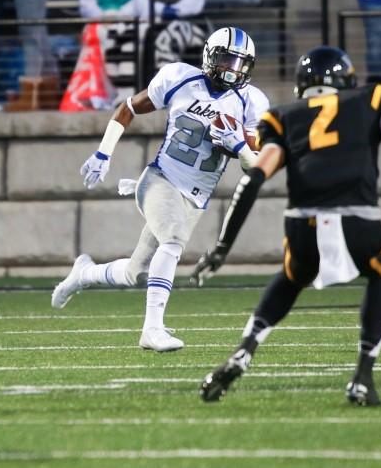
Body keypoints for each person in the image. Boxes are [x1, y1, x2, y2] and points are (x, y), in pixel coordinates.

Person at [196, 46, 381, 406]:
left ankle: (245, 348)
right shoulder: (370, 99)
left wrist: (221, 247)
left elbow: (253, 179)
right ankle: (363, 376)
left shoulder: (283, 116)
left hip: (302, 225)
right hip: (358, 220)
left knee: (292, 276)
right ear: (346, 80)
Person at [50, 27, 268, 353]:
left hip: (194, 197)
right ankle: (152, 329)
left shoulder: (251, 102)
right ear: (210, 56)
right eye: (226, 59)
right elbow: (128, 109)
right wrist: (103, 153)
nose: (233, 69)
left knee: (134, 271)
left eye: (240, 62)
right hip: (161, 180)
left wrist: (238, 144)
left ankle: (83, 274)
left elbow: (255, 165)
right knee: (173, 241)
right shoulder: (179, 78)